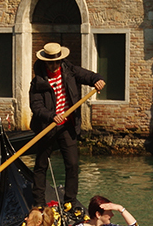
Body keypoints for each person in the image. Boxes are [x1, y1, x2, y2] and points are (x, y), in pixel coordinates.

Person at [28, 42, 105, 206]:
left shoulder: (68, 70)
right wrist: (51, 116)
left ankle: (70, 201)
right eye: (51, 62)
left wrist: (97, 80)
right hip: (46, 127)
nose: (54, 65)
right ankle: (38, 203)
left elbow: (88, 76)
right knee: (41, 165)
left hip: (67, 126)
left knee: (72, 164)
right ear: (45, 62)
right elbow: (36, 107)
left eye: (57, 62)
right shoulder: (38, 82)